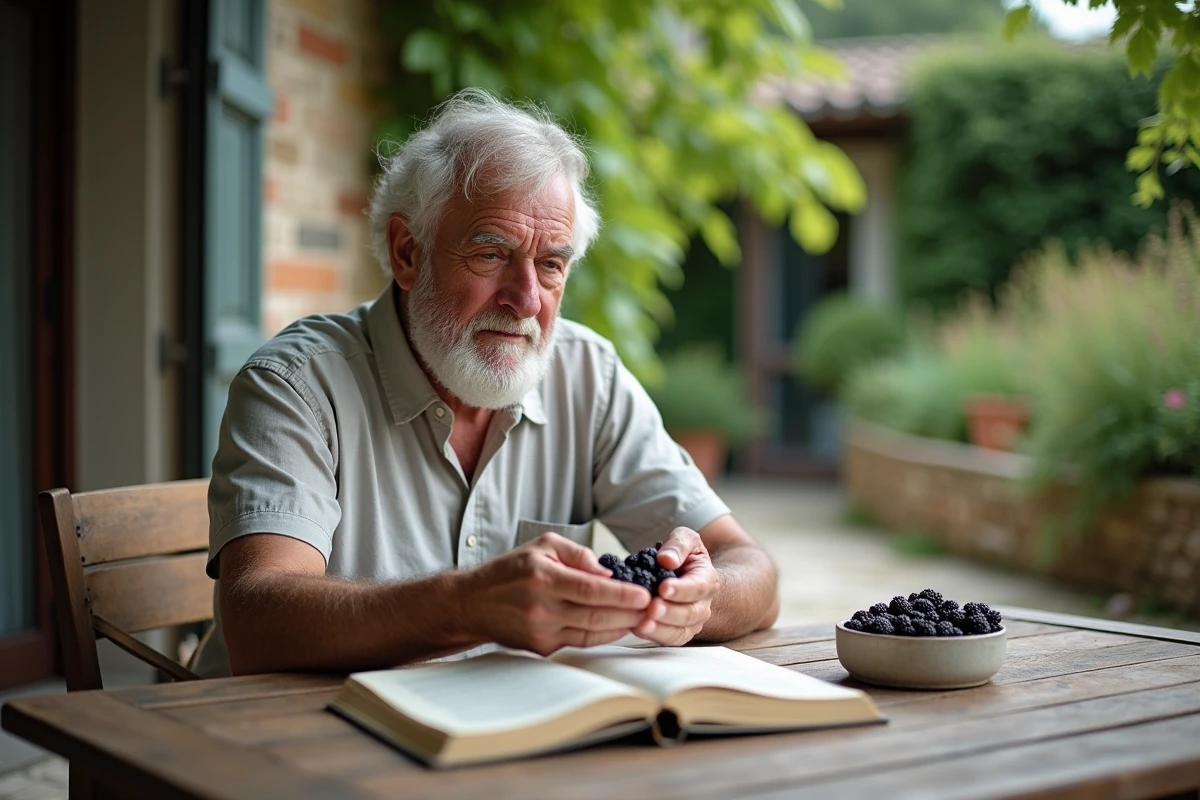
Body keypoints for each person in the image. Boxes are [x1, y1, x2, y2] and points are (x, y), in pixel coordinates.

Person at [192, 89, 779, 678]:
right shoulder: (298, 384)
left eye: (551, 264)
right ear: (407, 252)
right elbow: (258, 622)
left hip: (503, 743)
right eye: (491, 253)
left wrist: (701, 599)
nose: (526, 301)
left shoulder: (587, 375)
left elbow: (751, 568)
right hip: (294, 740)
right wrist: (468, 604)